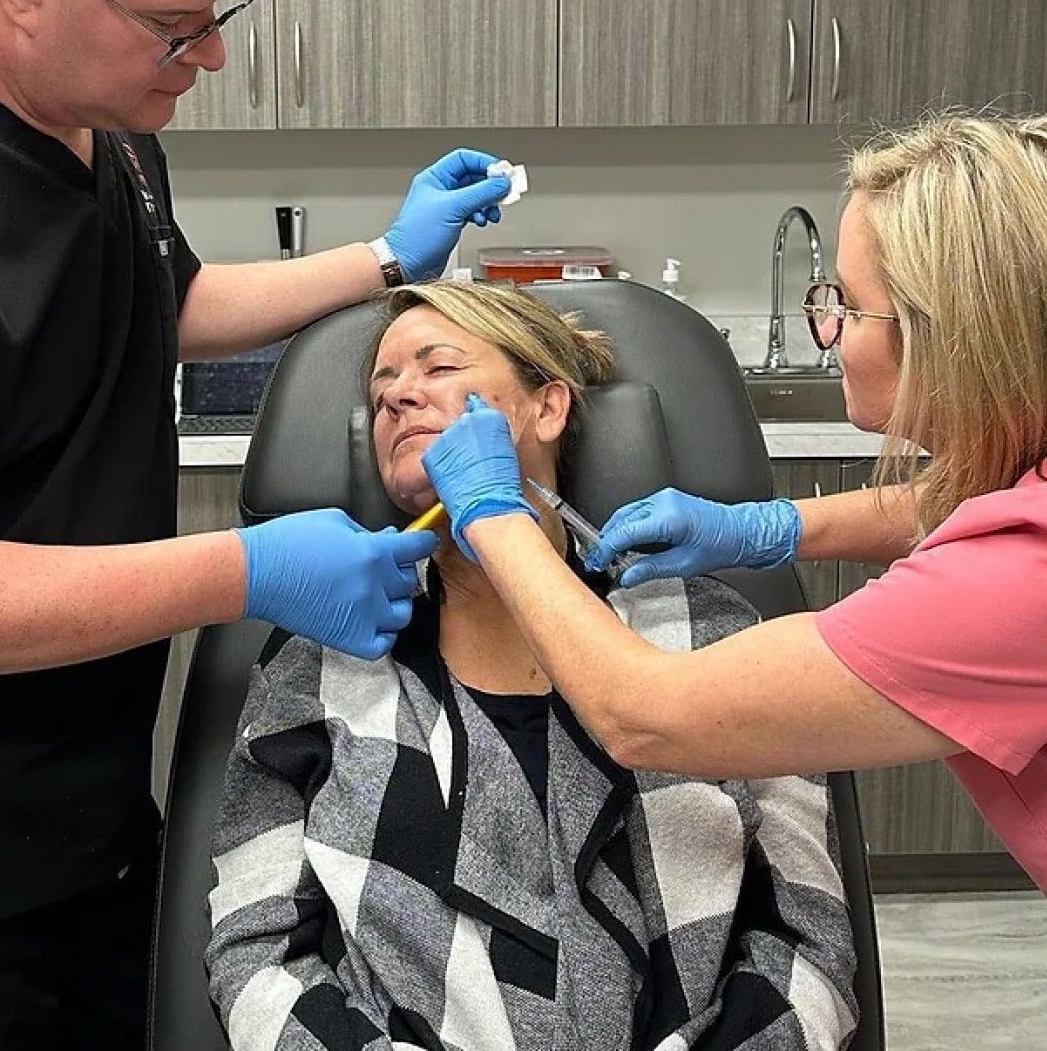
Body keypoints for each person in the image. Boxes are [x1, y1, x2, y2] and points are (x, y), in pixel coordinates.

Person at [0, 0, 512, 1049]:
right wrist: (244, 567)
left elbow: (168, 301)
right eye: (175, 22)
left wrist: (389, 258)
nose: (205, 53)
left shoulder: (101, 110)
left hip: (89, 815)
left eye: (223, 7)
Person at [207, 282, 858, 1050]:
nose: (397, 398)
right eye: (382, 387)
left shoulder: (710, 633)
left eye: (437, 367)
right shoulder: (324, 658)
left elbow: (807, 941)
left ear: (547, 408)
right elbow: (256, 952)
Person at [421, 113, 1047, 896]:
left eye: (848, 307)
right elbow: (981, 502)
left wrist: (493, 511)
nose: (829, 331)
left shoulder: (1019, 585)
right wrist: (774, 527)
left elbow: (645, 714)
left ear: (953, 337)